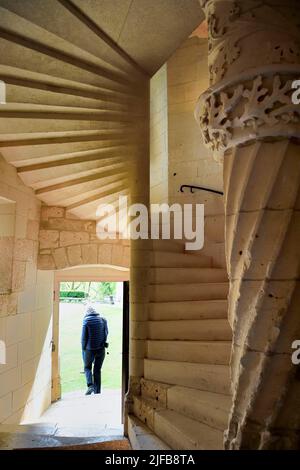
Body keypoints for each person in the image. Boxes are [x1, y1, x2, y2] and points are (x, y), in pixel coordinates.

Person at [81, 304, 108, 395]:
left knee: (87, 367)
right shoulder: (103, 320)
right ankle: (97, 392)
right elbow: (106, 333)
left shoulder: (86, 321)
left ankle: (90, 386)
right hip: (101, 349)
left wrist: (83, 349)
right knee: (97, 370)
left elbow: (84, 338)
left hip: (89, 349)